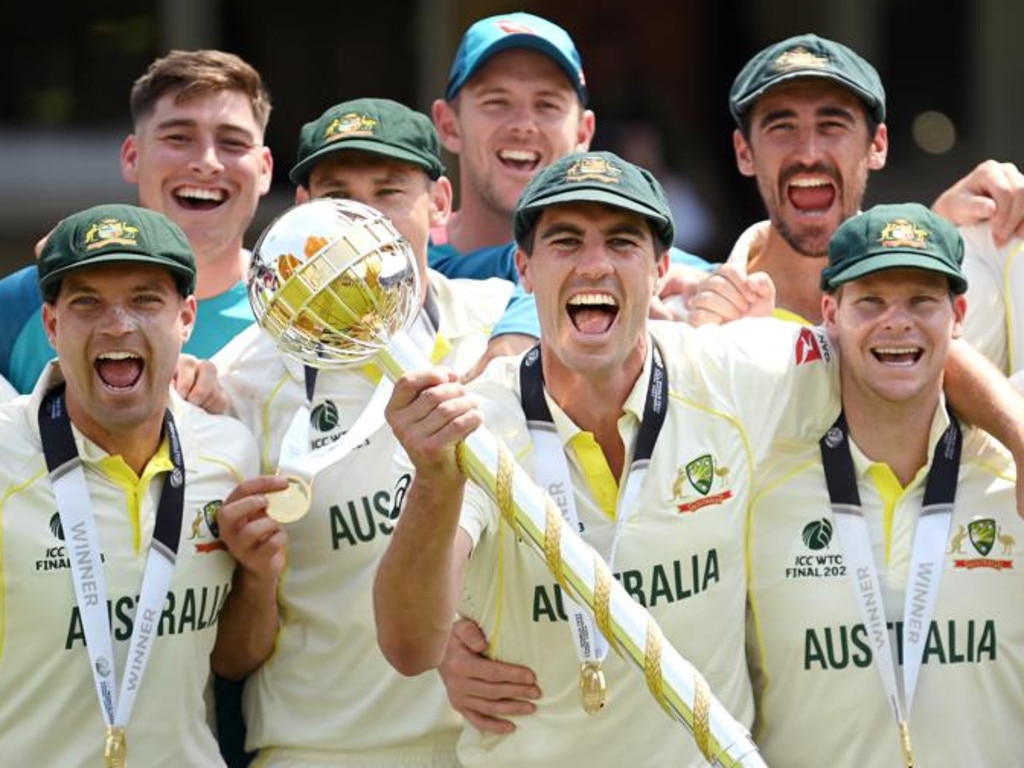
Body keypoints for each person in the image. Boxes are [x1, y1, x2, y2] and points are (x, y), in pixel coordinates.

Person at [375, 150, 852, 767]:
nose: (593, 265)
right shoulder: (477, 420)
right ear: (525, 269)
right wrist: (437, 481)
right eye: (566, 243)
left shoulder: (731, 371)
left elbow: (896, 342)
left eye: (622, 242)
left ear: (660, 270)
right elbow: (409, 648)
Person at [213, 98, 513, 766]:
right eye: (338, 198)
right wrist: (255, 578)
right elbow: (230, 656)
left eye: (387, 195)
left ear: (439, 203)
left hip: (489, 745)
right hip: (317, 749)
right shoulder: (238, 380)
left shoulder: (503, 329)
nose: (360, 223)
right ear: (301, 214)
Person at [0, 203, 285, 765]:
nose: (118, 323)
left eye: (145, 299)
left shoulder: (229, 455)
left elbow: (232, 662)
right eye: (87, 303)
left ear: (186, 319)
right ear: (52, 326)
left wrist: (258, 580)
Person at [747, 203, 1024, 766]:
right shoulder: (758, 490)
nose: (897, 322)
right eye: (870, 301)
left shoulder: (1011, 485)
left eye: (923, 301)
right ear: (830, 311)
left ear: (959, 314)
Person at [688, 32, 1024, 373]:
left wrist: (934, 230)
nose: (808, 153)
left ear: (877, 145)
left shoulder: (969, 283)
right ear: (744, 153)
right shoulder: (696, 316)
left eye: (832, 125)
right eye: (783, 127)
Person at [429, 12, 711, 353]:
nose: (523, 125)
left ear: (583, 133)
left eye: (547, 104)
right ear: (448, 126)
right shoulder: (405, 265)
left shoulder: (664, 271)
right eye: (496, 102)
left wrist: (718, 293)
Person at [0, 49, 274, 394]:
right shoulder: (23, 304)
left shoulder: (304, 319)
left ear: (264, 170)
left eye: (232, 142)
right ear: (132, 157)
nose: (207, 162)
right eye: (178, 137)